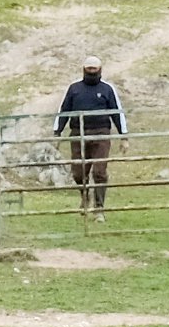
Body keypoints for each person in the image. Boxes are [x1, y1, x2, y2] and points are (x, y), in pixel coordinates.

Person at [53, 56, 126, 220]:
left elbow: (117, 112)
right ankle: (85, 196)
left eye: (94, 69)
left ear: (100, 69)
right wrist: (57, 132)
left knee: (100, 172)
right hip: (78, 133)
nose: (92, 72)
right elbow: (64, 110)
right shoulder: (74, 89)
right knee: (78, 172)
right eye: (89, 69)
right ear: (84, 69)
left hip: (101, 133)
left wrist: (124, 136)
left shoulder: (107, 89)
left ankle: (99, 208)